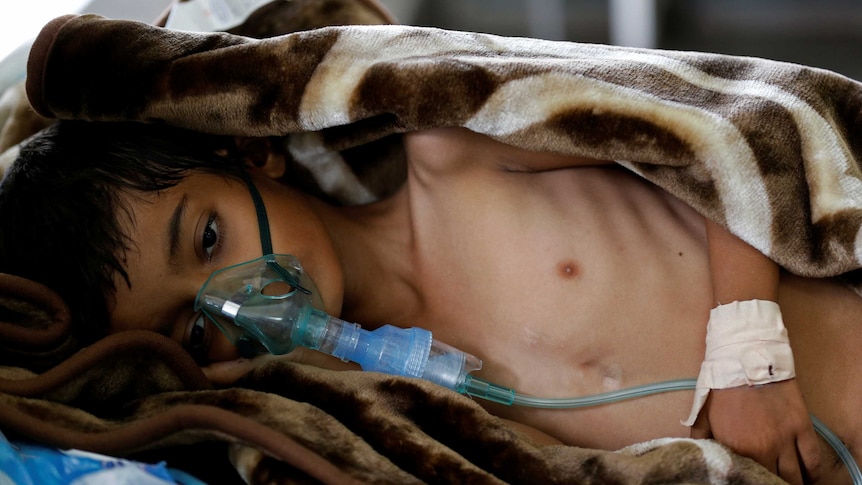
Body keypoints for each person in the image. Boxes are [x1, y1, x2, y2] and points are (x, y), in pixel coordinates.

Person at [1, 119, 856, 484]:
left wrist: (751, 348)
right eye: (193, 324)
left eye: (211, 239)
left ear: (251, 155)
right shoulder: (398, 425)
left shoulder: (458, 155)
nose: (239, 303)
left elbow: (717, 126)